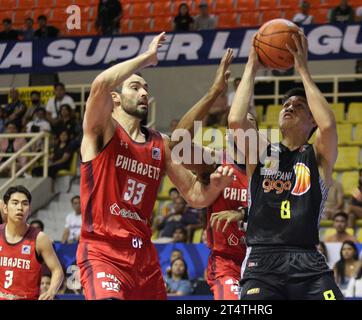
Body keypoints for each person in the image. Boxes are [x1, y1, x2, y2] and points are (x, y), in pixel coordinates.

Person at [76, 32, 233, 300]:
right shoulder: (102, 131)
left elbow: (196, 197)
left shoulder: (160, 144)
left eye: (146, 88)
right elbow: (100, 84)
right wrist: (147, 58)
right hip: (104, 251)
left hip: (144, 258)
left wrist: (215, 185)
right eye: (135, 87)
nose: (144, 92)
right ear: (115, 98)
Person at [229, 31, 343, 300]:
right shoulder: (261, 151)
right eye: (286, 104)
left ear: (312, 119)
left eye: (299, 105)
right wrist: (251, 67)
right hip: (262, 261)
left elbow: (328, 124)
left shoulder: (318, 156)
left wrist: (303, 71)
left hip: (307, 259)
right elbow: (235, 121)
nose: (289, 107)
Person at [168, 48, 249, 300]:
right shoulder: (217, 161)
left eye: (249, 125)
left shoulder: (269, 170)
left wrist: (241, 213)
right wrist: (214, 93)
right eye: (237, 125)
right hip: (226, 261)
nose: (243, 129)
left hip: (264, 262)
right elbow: (178, 144)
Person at [0, 186, 64, 300]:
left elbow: (57, 270)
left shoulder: (40, 238)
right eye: (15, 203)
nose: (20, 208)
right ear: (5, 208)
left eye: (24, 204)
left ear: (29, 210)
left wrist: (51, 291)